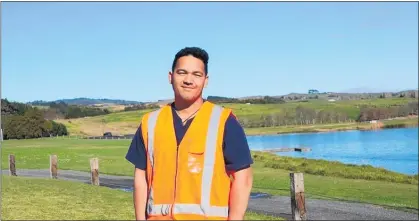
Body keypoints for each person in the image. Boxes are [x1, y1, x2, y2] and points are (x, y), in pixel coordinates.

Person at [125, 47, 253, 220]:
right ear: (171, 77)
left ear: (206, 80)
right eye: (182, 72)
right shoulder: (150, 123)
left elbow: (242, 178)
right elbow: (140, 177)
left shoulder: (224, 121)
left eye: (196, 74)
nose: (188, 80)